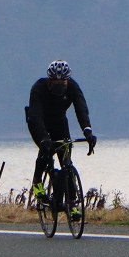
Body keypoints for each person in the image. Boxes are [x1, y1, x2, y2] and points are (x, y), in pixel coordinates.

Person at [26, 61, 96, 214]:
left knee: (66, 162)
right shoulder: (39, 88)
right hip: (39, 122)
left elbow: (81, 109)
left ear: (67, 81)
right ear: (49, 81)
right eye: (56, 83)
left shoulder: (73, 87)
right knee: (46, 150)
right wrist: (44, 138)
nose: (59, 85)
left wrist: (88, 132)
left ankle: (72, 204)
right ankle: (37, 182)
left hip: (59, 122)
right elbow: (35, 115)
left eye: (62, 83)